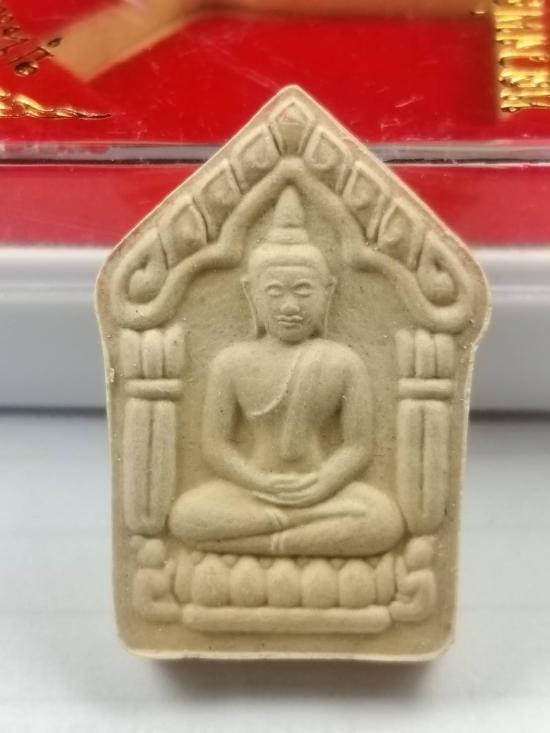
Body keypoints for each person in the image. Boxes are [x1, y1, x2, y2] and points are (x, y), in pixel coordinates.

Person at [170, 186, 403, 556]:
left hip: (322, 493)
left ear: (328, 291)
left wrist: (323, 483)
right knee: (187, 514)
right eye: (275, 292)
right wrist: (257, 482)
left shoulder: (343, 362)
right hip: (252, 492)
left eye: (304, 291)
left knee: (384, 518)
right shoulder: (232, 362)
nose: (290, 306)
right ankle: (296, 538)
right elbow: (216, 447)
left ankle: (268, 541)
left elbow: (357, 446)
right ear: (251, 293)